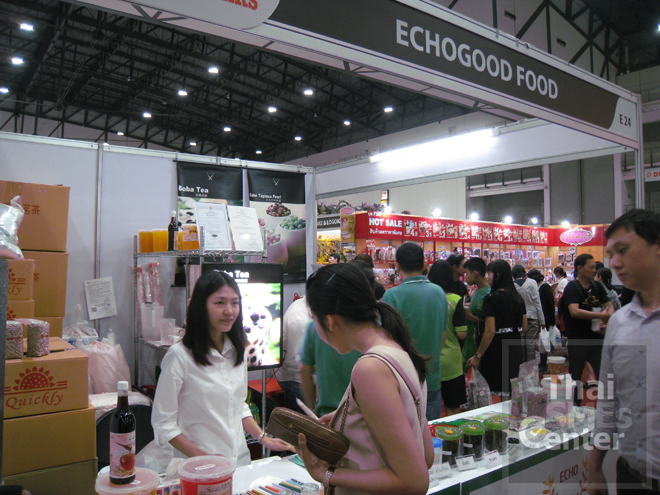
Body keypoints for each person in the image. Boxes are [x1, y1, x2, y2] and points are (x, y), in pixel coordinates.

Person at [297, 263, 434, 495]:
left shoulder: (370, 368)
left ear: (330, 321)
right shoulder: (398, 349)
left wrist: (325, 474)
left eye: (315, 319)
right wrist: (351, 416)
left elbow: (415, 481)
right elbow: (425, 456)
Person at [151, 270, 293, 468]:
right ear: (201, 306)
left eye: (235, 303)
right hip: (199, 467)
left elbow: (239, 405)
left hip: (239, 461)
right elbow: (163, 423)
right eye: (220, 303)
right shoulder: (179, 356)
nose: (229, 311)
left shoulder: (237, 351)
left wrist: (262, 437)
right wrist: (205, 458)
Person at [587, 209, 660, 495]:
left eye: (623, 250)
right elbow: (609, 401)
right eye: (610, 254)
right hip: (631, 477)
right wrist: (594, 468)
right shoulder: (618, 322)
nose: (614, 262)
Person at [382, 242, 448, 420]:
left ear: (397, 265)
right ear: (424, 264)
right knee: (430, 429)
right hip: (432, 375)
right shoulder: (439, 293)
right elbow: (442, 337)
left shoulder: (392, 296)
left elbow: (387, 342)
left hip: (402, 379)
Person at [466, 260, 527, 396]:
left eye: (489, 274)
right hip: (515, 350)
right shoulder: (518, 298)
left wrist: (478, 356)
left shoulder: (491, 299)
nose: (487, 277)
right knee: (511, 391)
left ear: (497, 275)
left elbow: (490, 331)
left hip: (496, 352)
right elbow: (524, 326)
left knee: (494, 393)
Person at [562, 253, 613, 405]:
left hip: (597, 338)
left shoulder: (597, 286)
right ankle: (575, 407)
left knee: (604, 375)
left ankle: (608, 408)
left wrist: (608, 316)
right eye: (591, 267)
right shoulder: (572, 287)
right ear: (580, 268)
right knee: (576, 377)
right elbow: (574, 311)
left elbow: (609, 305)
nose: (594, 270)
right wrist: (600, 315)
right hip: (578, 339)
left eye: (595, 267)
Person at [428, 260, 467, 415]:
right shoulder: (455, 300)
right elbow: (462, 333)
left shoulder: (426, 299)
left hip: (429, 359)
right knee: (452, 408)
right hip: (452, 362)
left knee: (429, 408)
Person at [299, 319, 361, 416]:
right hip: (362, 415)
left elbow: (304, 370)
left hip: (327, 416)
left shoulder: (315, 324)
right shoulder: (371, 324)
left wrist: (312, 409)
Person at [277, 295, 310, 414]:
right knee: (309, 420)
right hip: (293, 379)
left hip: (300, 374)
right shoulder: (299, 320)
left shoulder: (304, 306)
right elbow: (295, 362)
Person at [512, 264, 546, 363]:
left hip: (519, 318)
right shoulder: (532, 282)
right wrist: (542, 320)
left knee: (521, 345)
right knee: (530, 345)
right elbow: (537, 302)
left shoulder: (512, 285)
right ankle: (531, 368)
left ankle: (522, 368)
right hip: (533, 317)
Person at [462, 257, 491, 367]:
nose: (465, 277)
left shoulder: (488, 294)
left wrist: (470, 317)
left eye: (467, 273)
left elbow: (489, 325)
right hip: (469, 343)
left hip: (479, 347)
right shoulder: (475, 291)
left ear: (474, 273)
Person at [527, 269, 556, 373]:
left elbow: (550, 304)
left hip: (546, 317)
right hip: (540, 317)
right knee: (541, 341)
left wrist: (552, 320)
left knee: (544, 341)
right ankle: (542, 362)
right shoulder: (538, 287)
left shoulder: (545, 287)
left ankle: (543, 363)